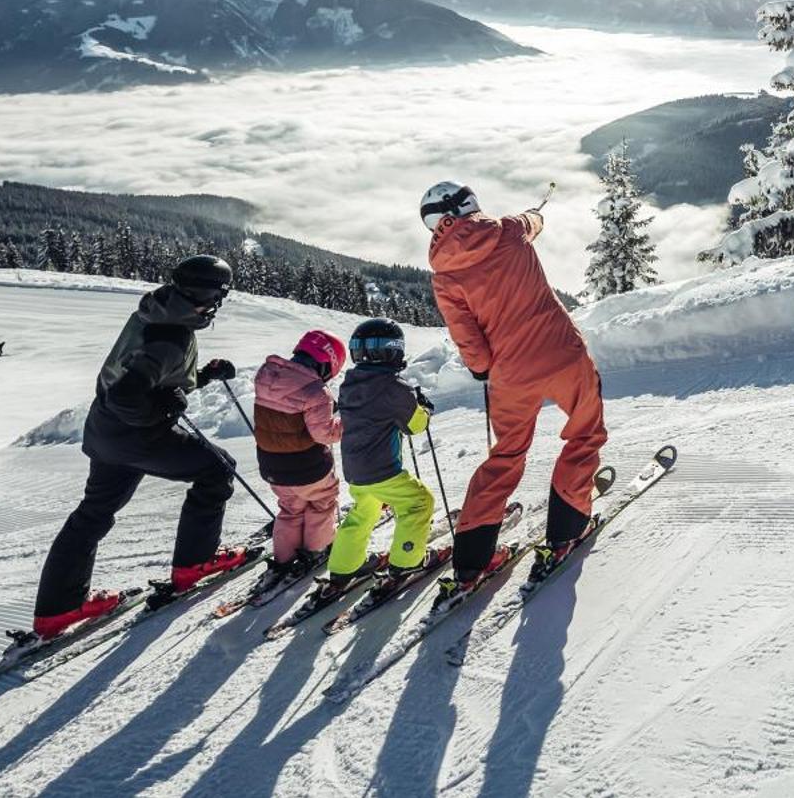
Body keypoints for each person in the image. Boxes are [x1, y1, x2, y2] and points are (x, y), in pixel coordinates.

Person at [30, 255, 252, 638]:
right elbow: (130, 397)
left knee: (94, 513)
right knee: (217, 470)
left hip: (104, 432)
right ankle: (194, 564)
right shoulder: (172, 334)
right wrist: (163, 407)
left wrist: (200, 376)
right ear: (213, 294)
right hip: (136, 435)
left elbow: (146, 375)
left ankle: (58, 608)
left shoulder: (156, 311)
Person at [422, 181, 608, 586]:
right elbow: (532, 221)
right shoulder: (509, 229)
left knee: (505, 456)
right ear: (469, 204)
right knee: (585, 433)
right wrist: (536, 214)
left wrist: (482, 368)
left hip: (509, 375)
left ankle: (471, 559)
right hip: (563, 354)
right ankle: (567, 528)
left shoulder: (444, 277)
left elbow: (469, 341)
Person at [317, 318, 435, 597]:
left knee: (364, 511)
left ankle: (343, 567)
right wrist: (425, 409)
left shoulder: (350, 383)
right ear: (394, 351)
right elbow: (415, 425)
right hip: (384, 471)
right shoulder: (393, 386)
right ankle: (406, 563)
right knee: (419, 502)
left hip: (356, 471)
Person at [251, 329, 347, 575]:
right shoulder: (317, 392)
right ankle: (317, 549)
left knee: (291, 508)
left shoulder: (266, 376)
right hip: (307, 467)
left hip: (271, 465)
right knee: (321, 502)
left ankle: (284, 557)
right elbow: (324, 434)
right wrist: (344, 422)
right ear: (328, 364)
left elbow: (286, 403)